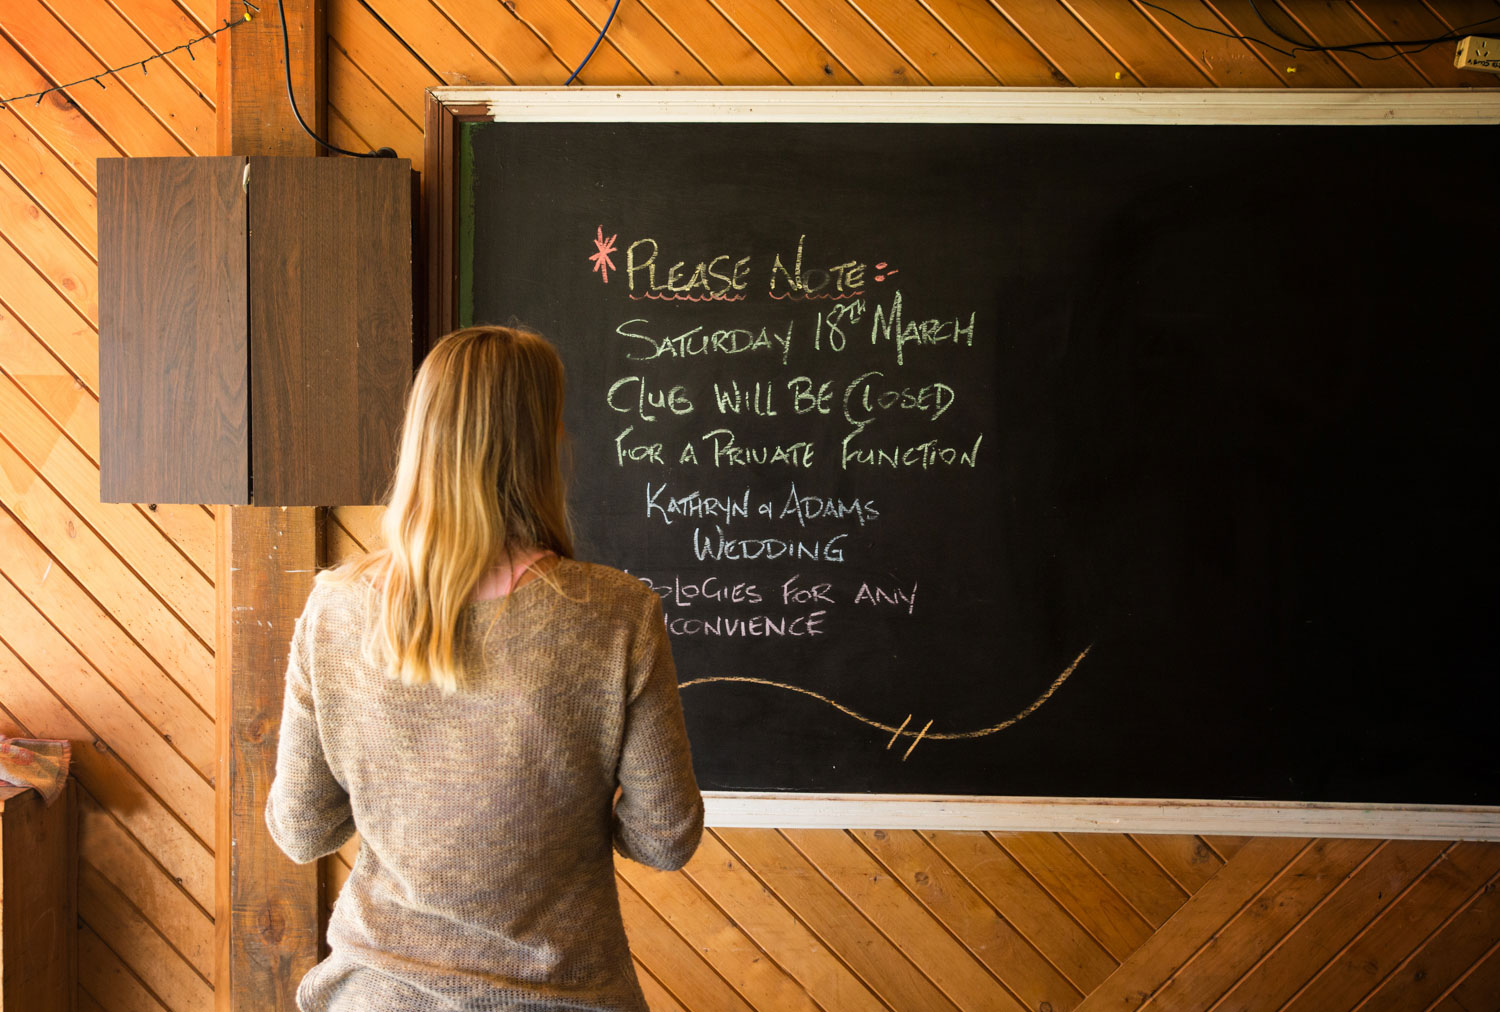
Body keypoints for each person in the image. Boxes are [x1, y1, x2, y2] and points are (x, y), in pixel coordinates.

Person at [265, 325, 703, 1011]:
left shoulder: (335, 610)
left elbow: (302, 829)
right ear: (545, 442)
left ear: (422, 436)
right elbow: (665, 839)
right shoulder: (617, 614)